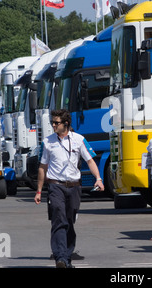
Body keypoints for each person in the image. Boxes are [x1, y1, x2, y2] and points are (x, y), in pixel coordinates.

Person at [34, 109, 104, 268]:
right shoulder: (47, 142)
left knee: (69, 221)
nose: (53, 125)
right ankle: (61, 258)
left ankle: (67, 256)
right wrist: (39, 191)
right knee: (59, 219)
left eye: (56, 123)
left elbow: (91, 161)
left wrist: (98, 179)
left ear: (66, 123)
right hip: (55, 186)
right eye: (52, 122)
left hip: (74, 187)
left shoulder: (79, 140)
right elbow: (42, 167)